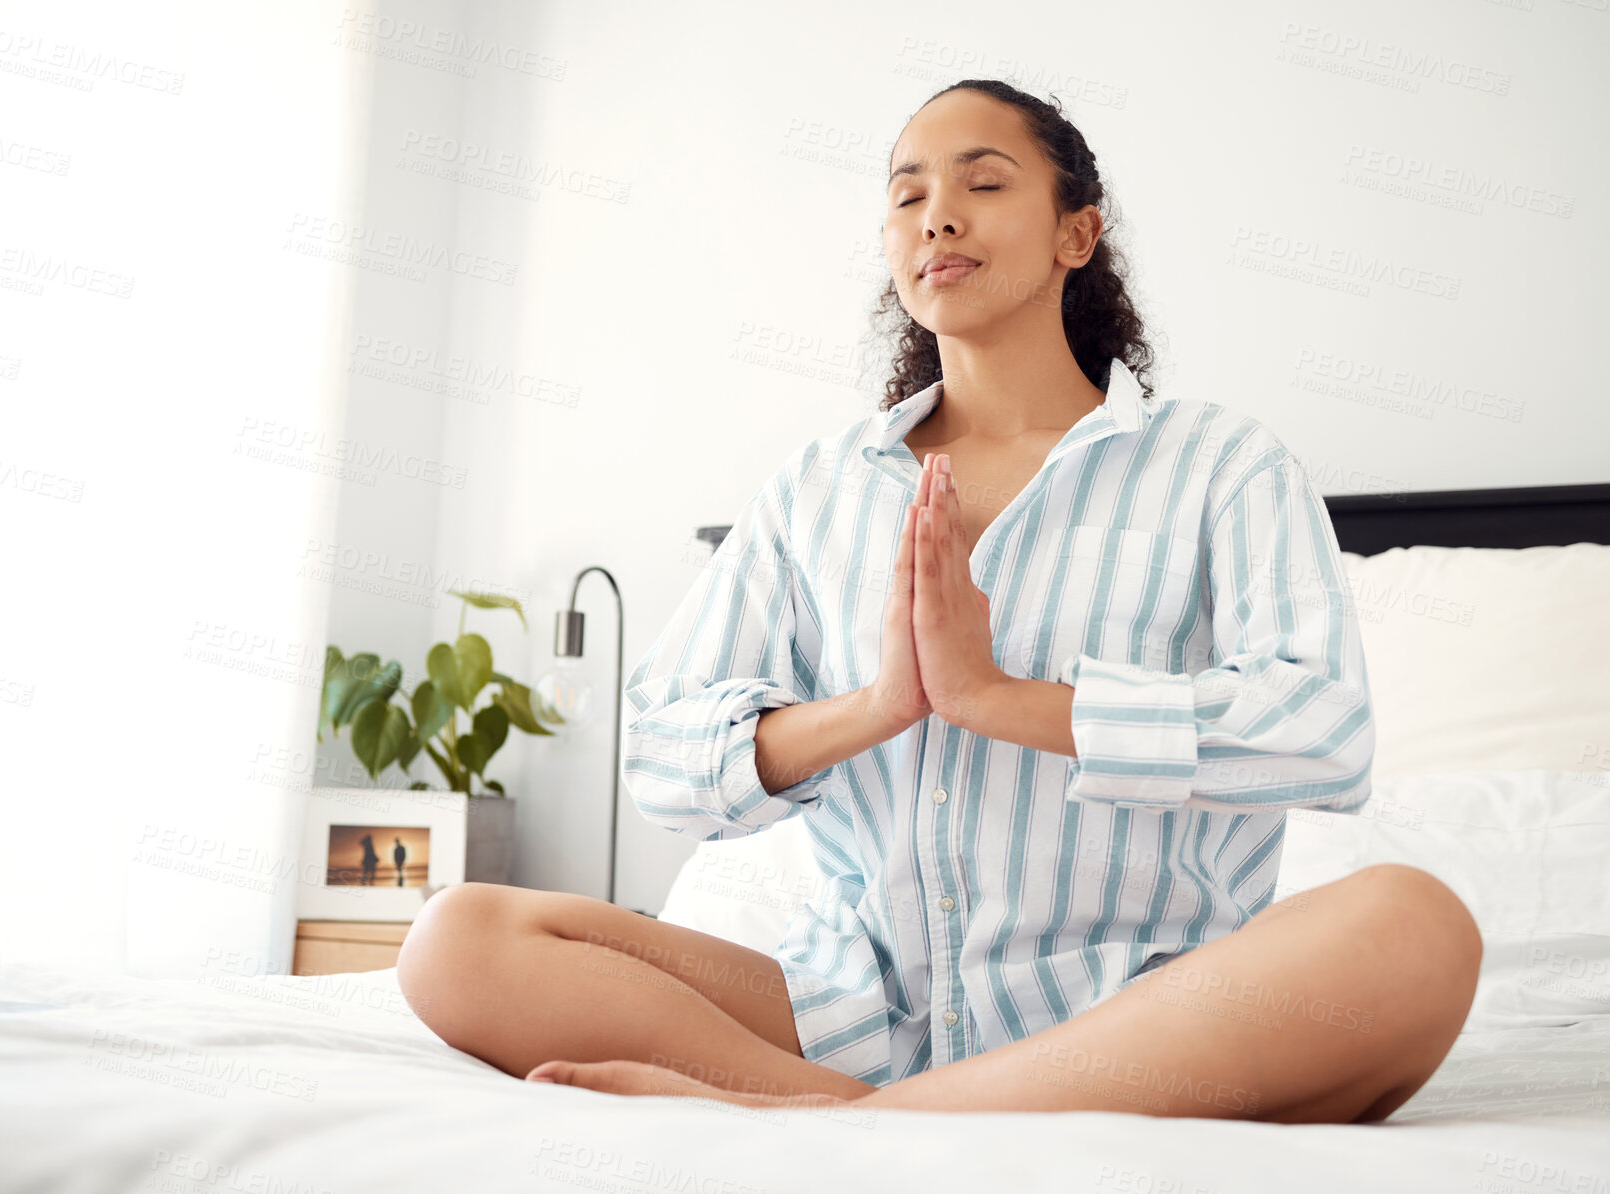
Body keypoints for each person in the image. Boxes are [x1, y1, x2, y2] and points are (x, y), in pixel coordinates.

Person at [394, 79, 1481, 1124]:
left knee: (1413, 929)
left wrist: (994, 696)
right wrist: (879, 706)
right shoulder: (819, 487)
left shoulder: (1222, 466)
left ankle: (824, 1123)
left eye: (983, 182)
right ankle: (866, 1111)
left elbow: (1323, 737)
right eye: (905, 195)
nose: (935, 215)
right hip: (845, 1013)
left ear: (1077, 233)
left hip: (1146, 1021)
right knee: (457, 937)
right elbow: (664, 757)